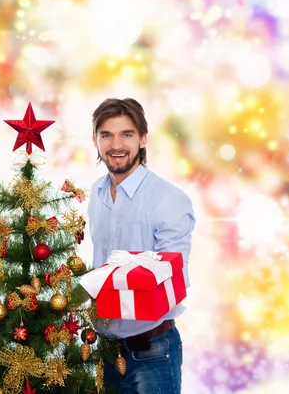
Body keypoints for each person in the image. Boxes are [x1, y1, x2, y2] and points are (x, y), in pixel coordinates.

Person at [87, 98, 195, 393]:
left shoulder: (167, 199)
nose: (116, 144)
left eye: (127, 134)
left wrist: (122, 289)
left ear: (143, 139)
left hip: (152, 350)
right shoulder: (96, 193)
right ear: (95, 140)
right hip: (103, 349)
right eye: (106, 135)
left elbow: (173, 280)